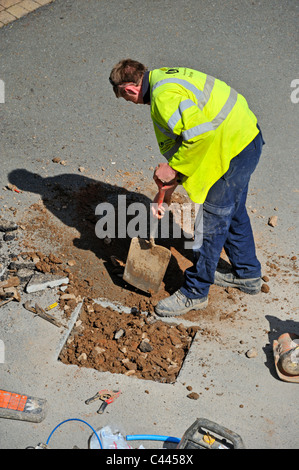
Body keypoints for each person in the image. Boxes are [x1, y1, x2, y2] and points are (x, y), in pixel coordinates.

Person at [109, 59, 265, 317]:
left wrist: (173, 170)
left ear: (129, 89)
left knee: (212, 221)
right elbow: (188, 135)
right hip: (244, 137)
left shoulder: (163, 97)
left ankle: (195, 292)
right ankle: (247, 274)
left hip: (231, 149)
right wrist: (170, 185)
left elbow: (199, 134)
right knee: (234, 209)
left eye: (126, 99)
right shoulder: (162, 77)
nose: (130, 104)